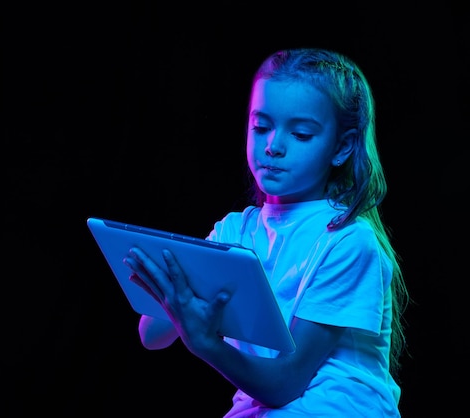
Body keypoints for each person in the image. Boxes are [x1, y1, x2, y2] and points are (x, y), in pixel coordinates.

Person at [123, 47, 409, 417]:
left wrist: (206, 343)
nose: (272, 146)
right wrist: (170, 295)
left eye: (301, 134)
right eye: (260, 127)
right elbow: (152, 335)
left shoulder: (349, 241)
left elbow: (287, 383)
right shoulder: (234, 232)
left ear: (341, 147)